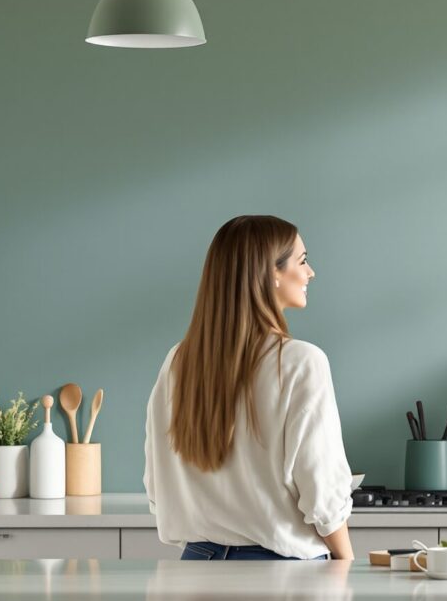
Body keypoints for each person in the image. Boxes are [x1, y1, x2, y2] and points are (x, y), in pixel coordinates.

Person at [144, 215, 354, 561]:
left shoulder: (178, 361)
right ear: (271, 272)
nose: (310, 272)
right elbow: (323, 496)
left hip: (194, 570)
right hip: (281, 579)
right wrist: (347, 564)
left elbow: (156, 486)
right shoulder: (301, 362)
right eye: (302, 261)